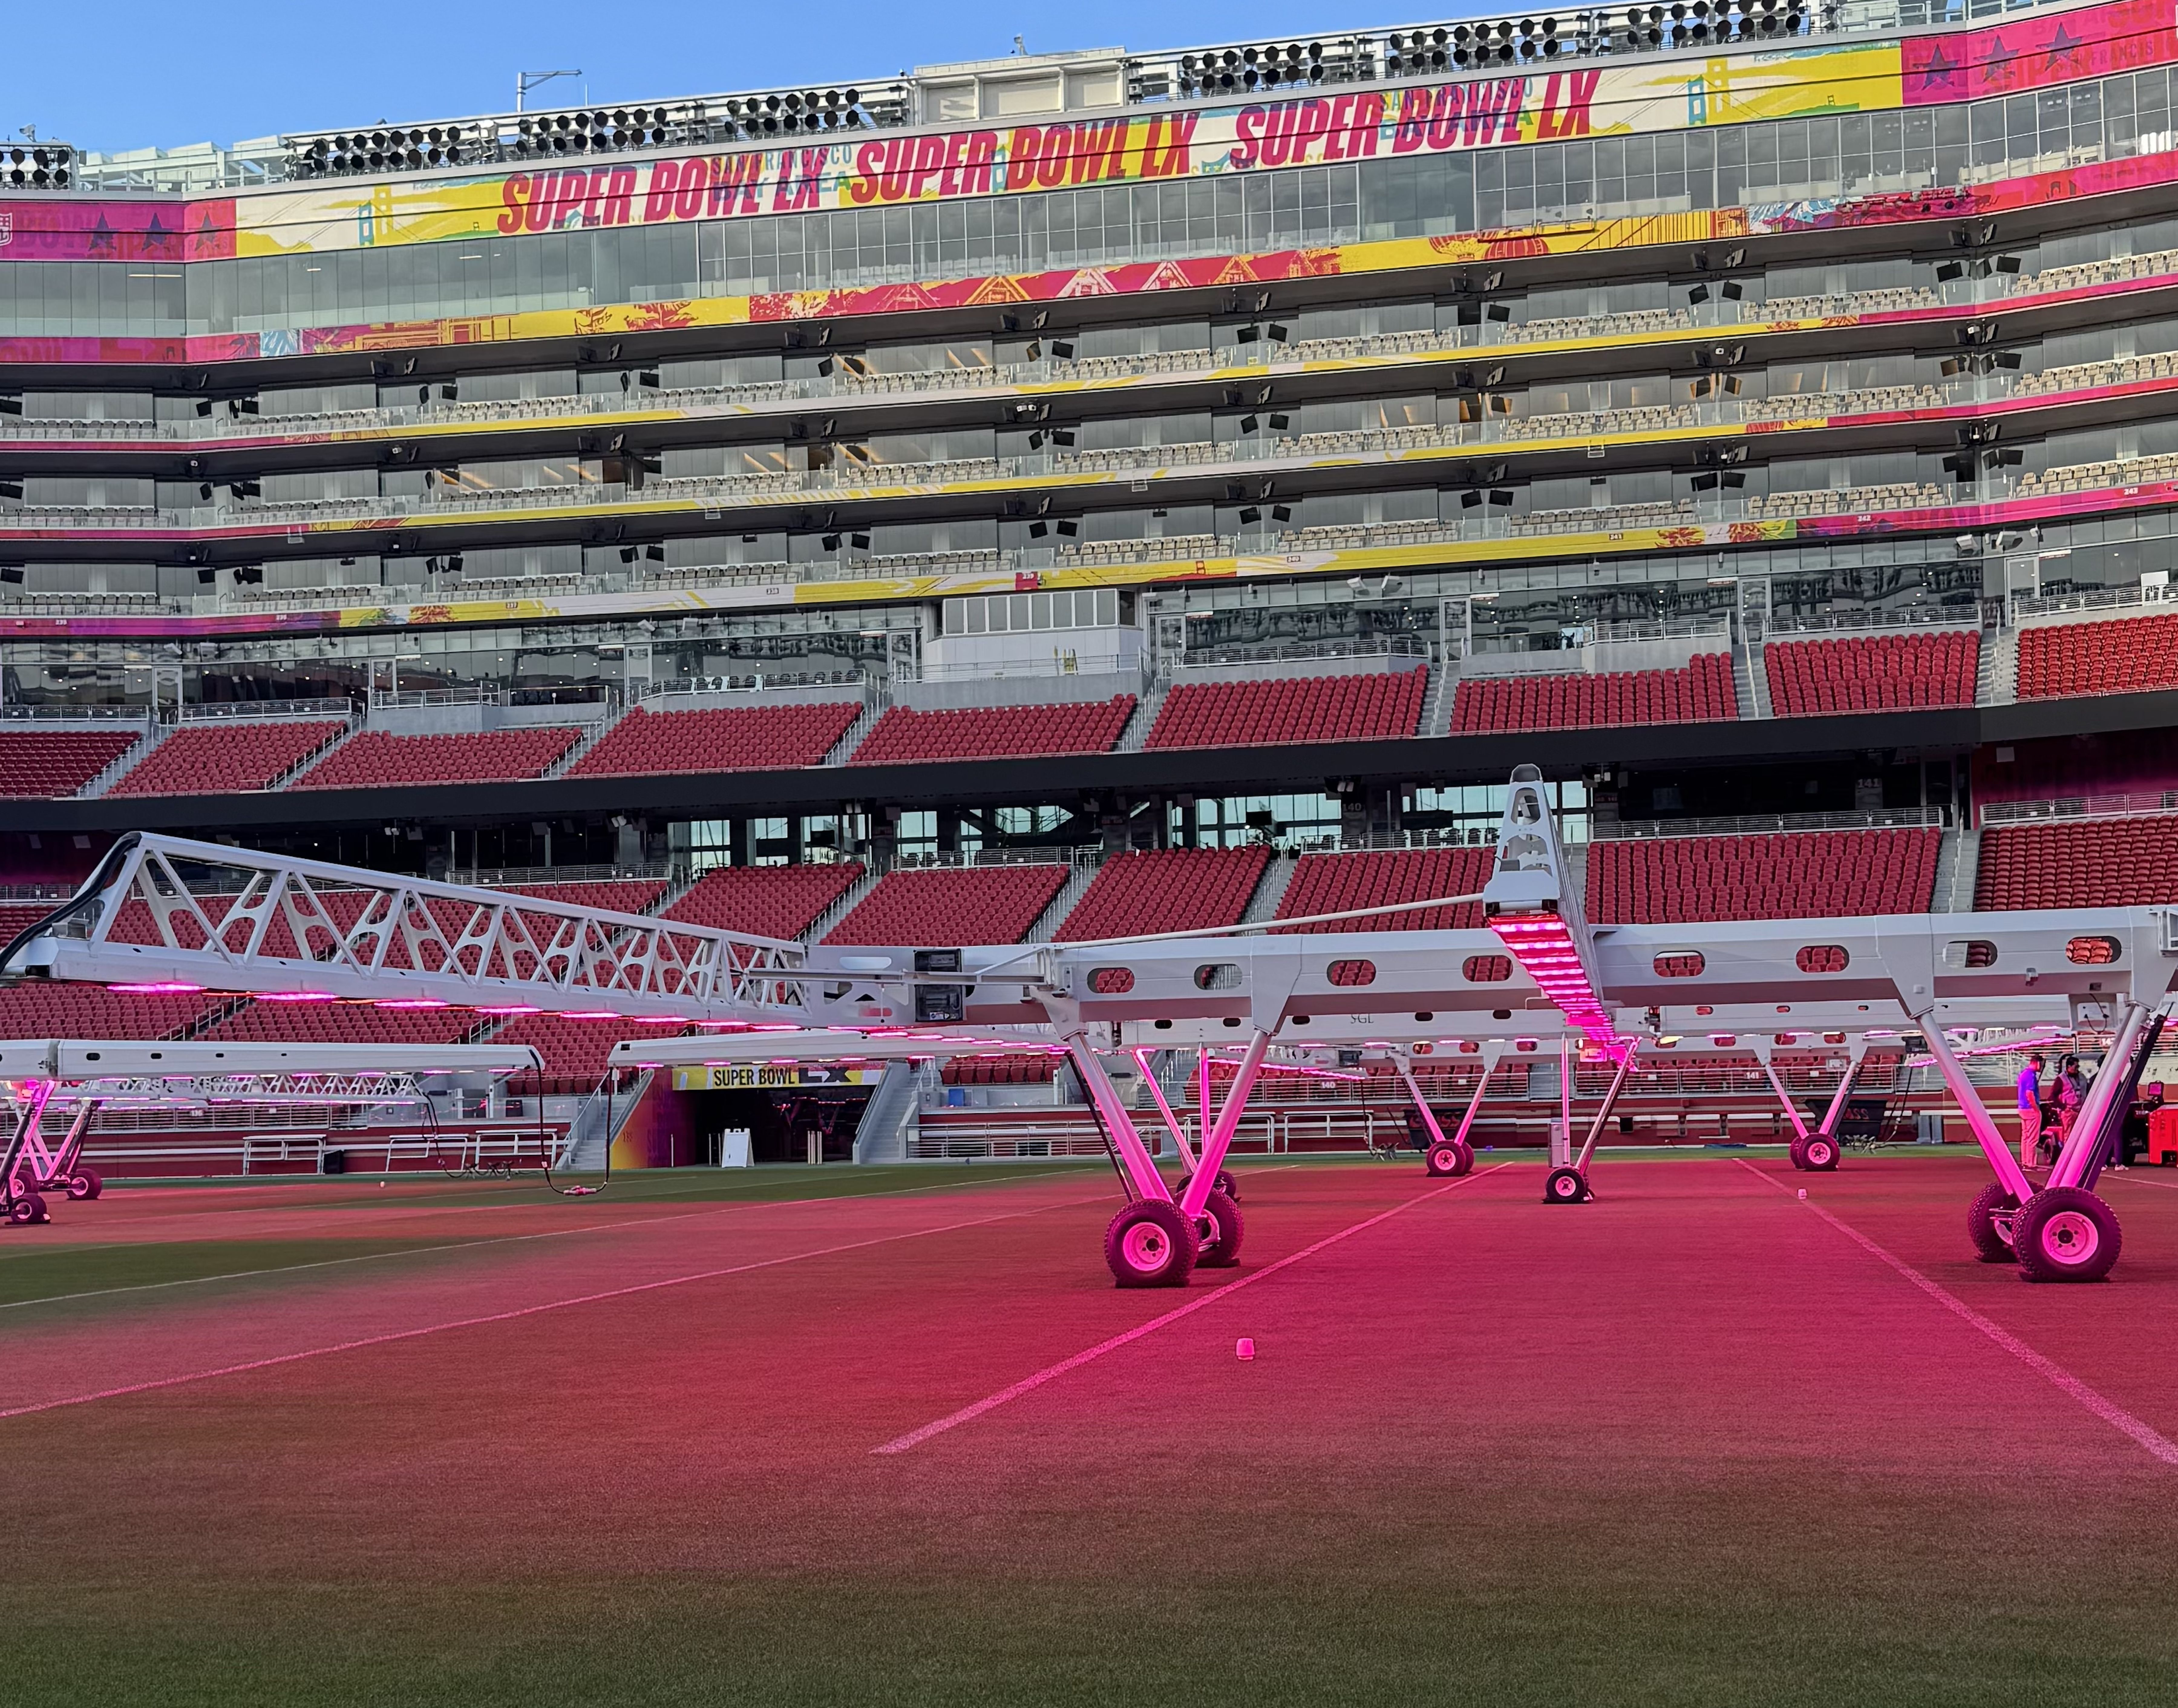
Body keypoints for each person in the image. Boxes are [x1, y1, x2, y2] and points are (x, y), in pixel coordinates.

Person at [2017, 1053, 2045, 1171]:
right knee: (2033, 1138)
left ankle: (2025, 1161)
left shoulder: (2023, 1074)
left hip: (2023, 1108)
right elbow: (2030, 1094)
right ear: (2038, 1063)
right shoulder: (2031, 1076)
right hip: (2030, 1109)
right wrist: (2036, 1109)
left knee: (2026, 1137)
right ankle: (2031, 1164)